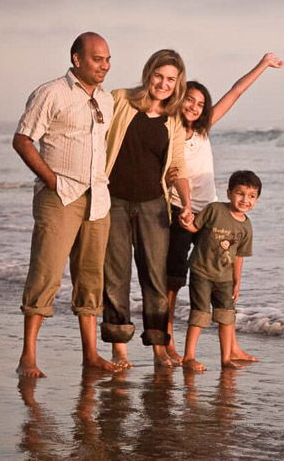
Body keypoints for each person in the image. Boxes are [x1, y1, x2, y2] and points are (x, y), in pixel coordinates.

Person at [165, 53, 284, 363]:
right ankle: (167, 340)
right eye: (189, 100)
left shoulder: (203, 130)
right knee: (175, 280)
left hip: (210, 213)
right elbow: (173, 173)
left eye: (200, 103)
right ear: (179, 100)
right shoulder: (170, 132)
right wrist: (186, 207)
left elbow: (235, 91)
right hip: (180, 210)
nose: (194, 106)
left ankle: (231, 348)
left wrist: (261, 65)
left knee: (224, 274)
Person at [13, 32, 117, 378]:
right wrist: (53, 181)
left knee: (90, 279)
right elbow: (23, 139)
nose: (104, 65)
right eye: (97, 59)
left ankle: (91, 355)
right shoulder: (51, 92)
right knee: (46, 273)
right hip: (59, 197)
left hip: (97, 200)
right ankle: (28, 356)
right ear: (77, 59)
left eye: (107, 59)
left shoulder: (107, 101)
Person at [101, 49, 192, 368]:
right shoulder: (120, 99)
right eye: (159, 76)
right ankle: (118, 349)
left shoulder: (175, 118)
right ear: (148, 73)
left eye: (171, 79)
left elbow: (178, 165)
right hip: (113, 201)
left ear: (177, 83)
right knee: (116, 274)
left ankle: (157, 346)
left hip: (154, 205)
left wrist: (187, 205)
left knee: (154, 277)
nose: (163, 84)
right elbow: (95, 136)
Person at [179, 170, 262, 370]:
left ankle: (226, 358)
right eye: (240, 193)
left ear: (257, 199)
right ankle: (189, 357)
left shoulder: (246, 227)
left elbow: (239, 256)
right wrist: (186, 223)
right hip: (201, 271)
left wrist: (237, 281)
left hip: (224, 278)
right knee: (199, 314)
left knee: (226, 316)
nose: (245, 200)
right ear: (229, 193)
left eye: (251, 196)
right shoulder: (215, 209)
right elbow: (195, 228)